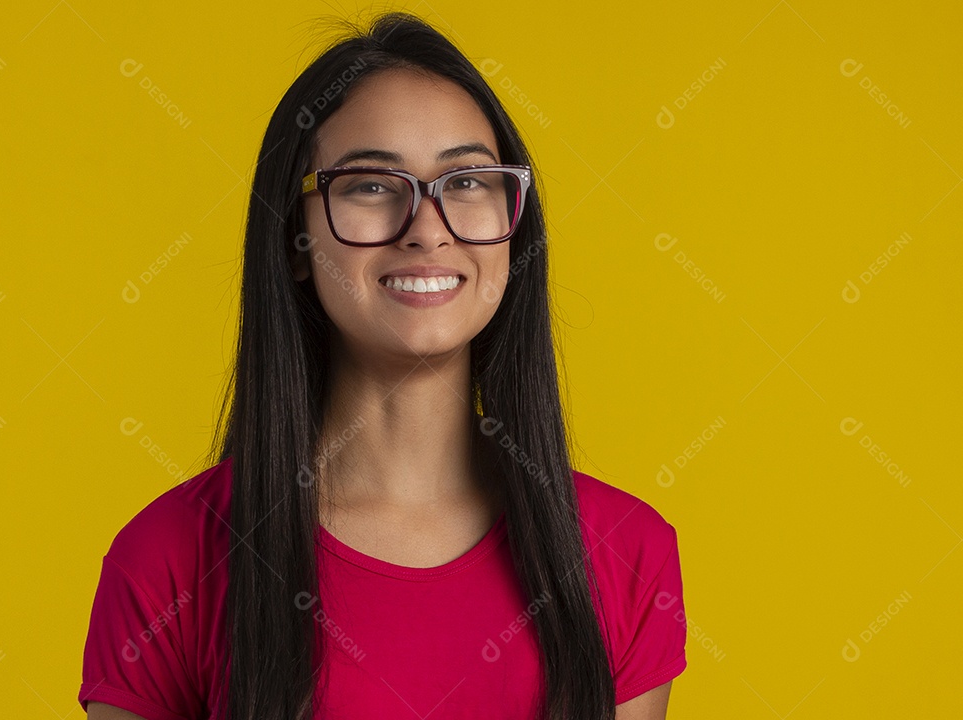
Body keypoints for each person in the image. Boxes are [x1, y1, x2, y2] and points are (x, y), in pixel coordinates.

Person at [78, 11, 686, 720]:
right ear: (297, 238)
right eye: (371, 185)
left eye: (467, 181)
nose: (427, 229)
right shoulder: (166, 560)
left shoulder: (625, 552)